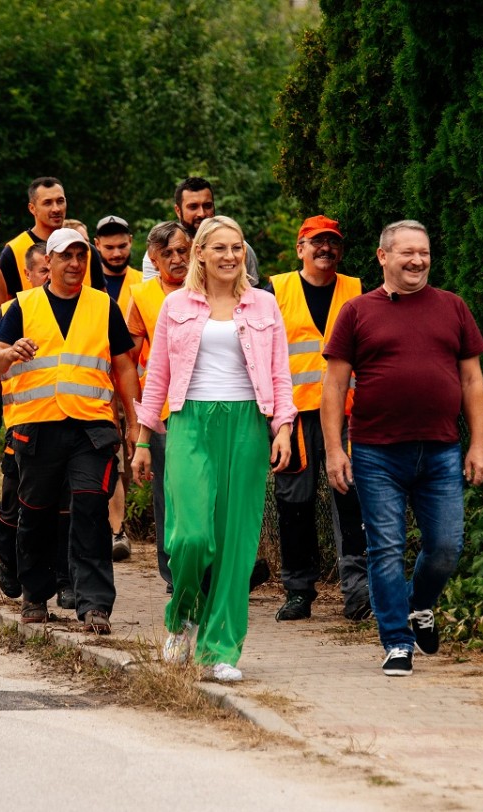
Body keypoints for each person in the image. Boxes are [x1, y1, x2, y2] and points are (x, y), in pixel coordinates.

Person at [322, 219, 483, 678]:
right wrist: (336, 451)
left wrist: (478, 445)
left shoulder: (453, 308)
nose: (417, 261)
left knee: (445, 547)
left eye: (424, 253)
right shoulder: (357, 312)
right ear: (383, 257)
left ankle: (420, 605)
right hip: (376, 452)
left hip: (440, 450)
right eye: (407, 252)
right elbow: (334, 387)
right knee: (386, 548)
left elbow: (472, 380)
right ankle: (397, 641)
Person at [132, 215, 295, 682]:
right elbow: (157, 375)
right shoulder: (176, 306)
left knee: (235, 545)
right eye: (219, 248)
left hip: (247, 423)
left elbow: (280, 373)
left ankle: (219, 648)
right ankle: (183, 614)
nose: (229, 256)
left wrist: (282, 427)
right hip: (189, 421)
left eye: (236, 247)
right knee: (190, 537)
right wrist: (144, 438)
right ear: (199, 252)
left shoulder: (263, 305)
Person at [0, 228, 140, 635]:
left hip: (91, 428)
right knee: (36, 512)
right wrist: (9, 351)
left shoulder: (104, 306)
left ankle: (95, 605)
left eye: (79, 256)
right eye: (65, 256)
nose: (74, 264)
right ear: (47, 262)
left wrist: (135, 421)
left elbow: (123, 365)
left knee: (89, 509)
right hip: (37, 428)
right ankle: (36, 595)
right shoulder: (21, 305)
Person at [268, 215, 370, 622]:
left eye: (332, 243)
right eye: (316, 242)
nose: (325, 249)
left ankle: (358, 592)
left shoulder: (359, 291)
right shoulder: (274, 291)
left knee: (352, 499)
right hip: (294, 416)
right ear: (300, 248)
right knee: (294, 502)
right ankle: (298, 591)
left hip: (348, 415)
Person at [0, 242, 50, 599]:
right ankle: (7, 560)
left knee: (61, 505)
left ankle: (61, 579)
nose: (51, 276)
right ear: (29, 274)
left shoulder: (84, 308)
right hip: (22, 424)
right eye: (44, 270)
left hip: (67, 424)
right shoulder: (9, 311)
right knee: (13, 501)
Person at [126, 220, 192, 589]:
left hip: (207, 403)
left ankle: (209, 565)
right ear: (153, 257)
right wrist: (137, 422)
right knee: (168, 490)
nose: (177, 258)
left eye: (182, 250)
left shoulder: (208, 286)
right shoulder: (143, 295)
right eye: (167, 253)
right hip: (164, 411)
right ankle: (172, 571)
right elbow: (130, 362)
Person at [94, 214, 140, 561]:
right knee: (109, 456)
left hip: (136, 383)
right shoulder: (89, 285)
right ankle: (110, 530)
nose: (116, 252)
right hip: (95, 383)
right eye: (109, 247)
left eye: (122, 245)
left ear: (131, 243)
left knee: (130, 455)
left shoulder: (142, 284)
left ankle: (118, 529)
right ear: (98, 246)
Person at [0, 177, 105, 302]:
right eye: (47, 203)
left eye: (60, 201)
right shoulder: (14, 252)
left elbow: (102, 305)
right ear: (32, 208)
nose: (56, 209)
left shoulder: (86, 251)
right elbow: (3, 308)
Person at [140, 177, 258, 286]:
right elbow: (153, 300)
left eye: (207, 206)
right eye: (193, 207)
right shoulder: (160, 253)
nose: (201, 213)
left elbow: (255, 298)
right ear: (178, 210)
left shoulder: (239, 249)